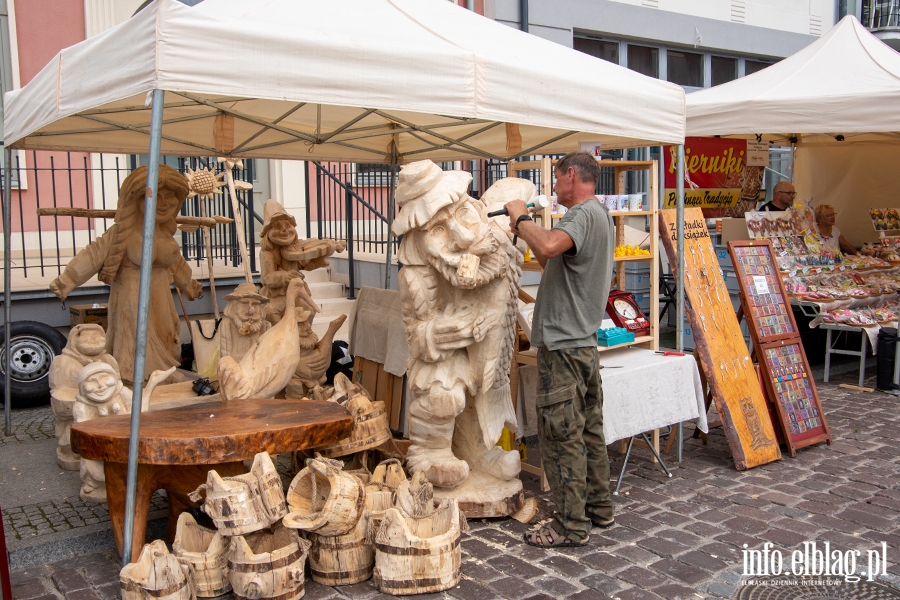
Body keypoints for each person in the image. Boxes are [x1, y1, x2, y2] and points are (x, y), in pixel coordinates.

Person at [503, 151, 615, 548]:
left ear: (571, 175)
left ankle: (570, 525)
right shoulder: (599, 216)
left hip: (566, 348)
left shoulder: (582, 215)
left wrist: (520, 218)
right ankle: (599, 510)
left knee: (562, 436)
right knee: (588, 433)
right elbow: (552, 256)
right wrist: (528, 233)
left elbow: (549, 246)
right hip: (581, 344)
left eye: (556, 177)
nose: (553, 186)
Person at [49, 166, 202, 383]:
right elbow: (93, 255)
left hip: (161, 295)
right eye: (156, 196)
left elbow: (176, 265)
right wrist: (67, 280)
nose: (164, 203)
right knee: (137, 334)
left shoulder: (165, 233)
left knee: (167, 332)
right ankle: (134, 377)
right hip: (131, 294)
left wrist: (189, 285)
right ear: (136, 198)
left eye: (170, 197)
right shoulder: (122, 233)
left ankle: (163, 373)